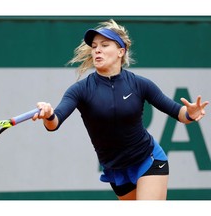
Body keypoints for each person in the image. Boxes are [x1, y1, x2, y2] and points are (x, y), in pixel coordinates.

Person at [32, 19, 209, 200]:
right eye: (94, 47)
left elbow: (179, 113)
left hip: (148, 160)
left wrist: (190, 113)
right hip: (116, 169)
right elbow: (54, 123)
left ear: (120, 52)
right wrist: (49, 114)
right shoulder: (80, 90)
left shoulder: (140, 84)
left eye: (105, 45)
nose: (97, 50)